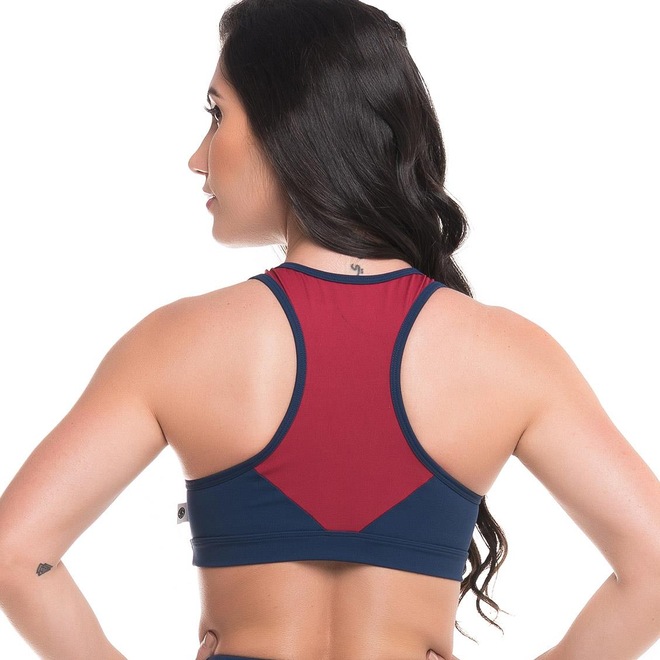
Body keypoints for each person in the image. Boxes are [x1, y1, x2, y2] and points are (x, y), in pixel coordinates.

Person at [1, 0, 659, 658]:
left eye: (217, 114)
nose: (197, 158)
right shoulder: (509, 355)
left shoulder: (176, 344)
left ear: (289, 125)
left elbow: (16, 554)